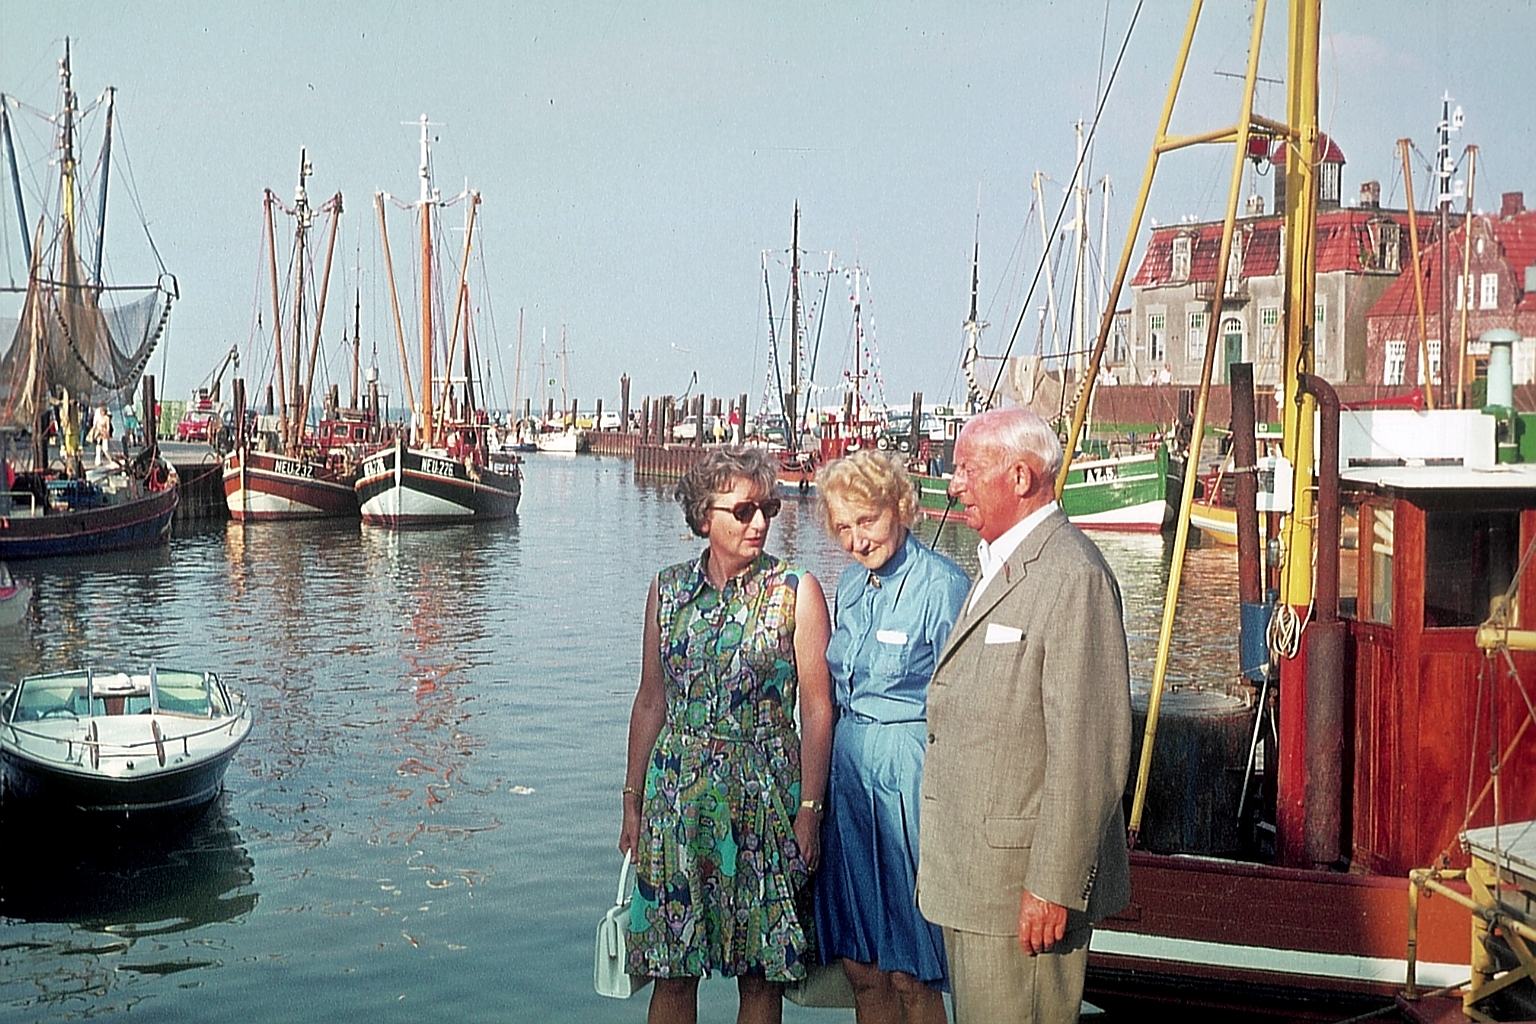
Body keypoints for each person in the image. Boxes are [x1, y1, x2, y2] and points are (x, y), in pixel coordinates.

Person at [916, 408, 1131, 1024]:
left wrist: (1053, 886)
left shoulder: (1072, 577)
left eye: (967, 468)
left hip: (1022, 893)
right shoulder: (1000, 566)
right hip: (975, 882)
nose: (953, 483)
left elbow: (1088, 752)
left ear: (1020, 477)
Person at [620, 445, 834, 1024]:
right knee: (671, 969)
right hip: (677, 799)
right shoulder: (667, 591)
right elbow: (650, 699)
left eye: (768, 507)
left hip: (765, 799)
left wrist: (810, 809)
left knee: (761, 975)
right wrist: (631, 802)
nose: (760, 521)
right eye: (744, 511)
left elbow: (818, 709)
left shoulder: (796, 589)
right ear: (703, 516)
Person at [814, 450, 969, 1024]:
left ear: (899, 508)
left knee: (911, 968)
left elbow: (965, 704)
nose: (857, 540)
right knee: (862, 965)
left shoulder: (943, 586)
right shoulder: (851, 587)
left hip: (911, 777)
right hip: (850, 779)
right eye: (844, 527)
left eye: (868, 521)